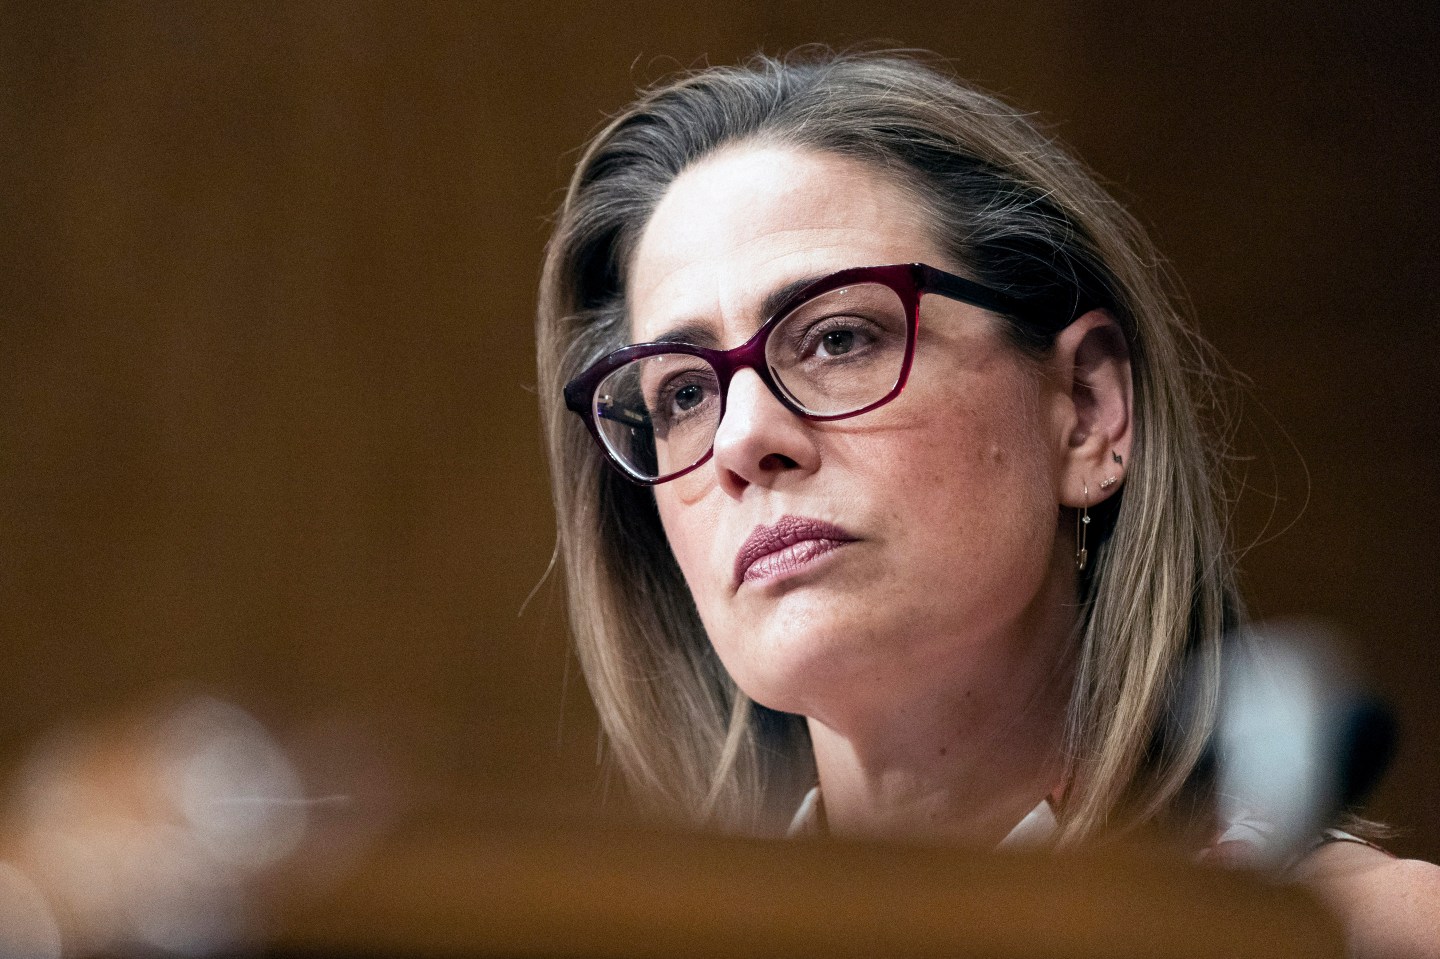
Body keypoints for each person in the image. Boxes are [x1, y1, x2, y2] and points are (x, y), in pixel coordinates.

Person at [535, 51, 1439, 954]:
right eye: (682, 395)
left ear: (1087, 412)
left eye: (839, 338)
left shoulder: (1371, 937)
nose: (740, 439)